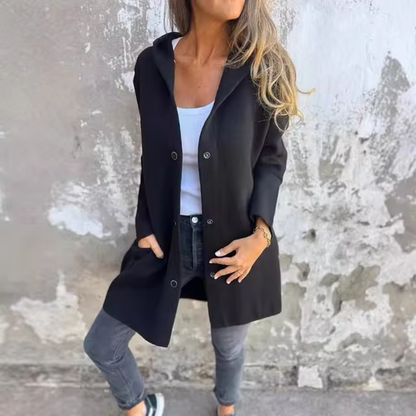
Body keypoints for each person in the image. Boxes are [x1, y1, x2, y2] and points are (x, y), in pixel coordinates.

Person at [84, 1, 301, 415]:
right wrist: (145, 225)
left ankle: (227, 407)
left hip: (235, 241)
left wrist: (260, 236)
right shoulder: (152, 66)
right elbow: (151, 156)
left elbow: (271, 161)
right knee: (102, 343)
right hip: (167, 238)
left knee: (229, 346)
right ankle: (139, 407)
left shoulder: (265, 67)